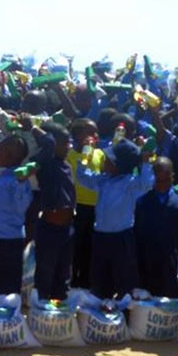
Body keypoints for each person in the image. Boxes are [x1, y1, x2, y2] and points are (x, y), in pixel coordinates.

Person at [77, 138, 154, 299]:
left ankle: (124, 306)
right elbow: (83, 177)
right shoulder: (103, 179)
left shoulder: (131, 183)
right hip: (100, 236)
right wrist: (85, 157)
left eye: (108, 160)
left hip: (121, 238)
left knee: (123, 278)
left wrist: (146, 163)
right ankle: (101, 303)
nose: (104, 161)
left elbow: (146, 184)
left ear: (119, 165)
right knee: (100, 276)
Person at [21, 117, 75, 300]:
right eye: (64, 143)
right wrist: (33, 128)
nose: (68, 147)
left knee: (63, 273)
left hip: (67, 228)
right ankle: (41, 306)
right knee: (45, 273)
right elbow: (49, 143)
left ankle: (58, 308)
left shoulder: (65, 165)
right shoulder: (44, 162)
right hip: (50, 229)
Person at [0, 134, 33, 296]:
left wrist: (21, 183)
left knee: (8, 285)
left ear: (10, 156)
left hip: (10, 242)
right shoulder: (0, 176)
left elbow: (21, 206)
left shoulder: (17, 181)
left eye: (0, 151)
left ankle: (8, 309)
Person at [134, 157, 178, 298]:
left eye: (166, 180)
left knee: (168, 295)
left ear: (172, 177)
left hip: (168, 254)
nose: (162, 184)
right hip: (146, 256)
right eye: (158, 180)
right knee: (146, 295)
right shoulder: (143, 201)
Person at [66, 118, 104, 289]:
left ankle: (86, 282)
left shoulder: (100, 154)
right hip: (77, 207)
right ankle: (72, 281)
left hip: (96, 208)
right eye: (89, 132)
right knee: (76, 246)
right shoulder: (69, 155)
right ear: (77, 136)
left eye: (96, 132)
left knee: (90, 246)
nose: (94, 136)